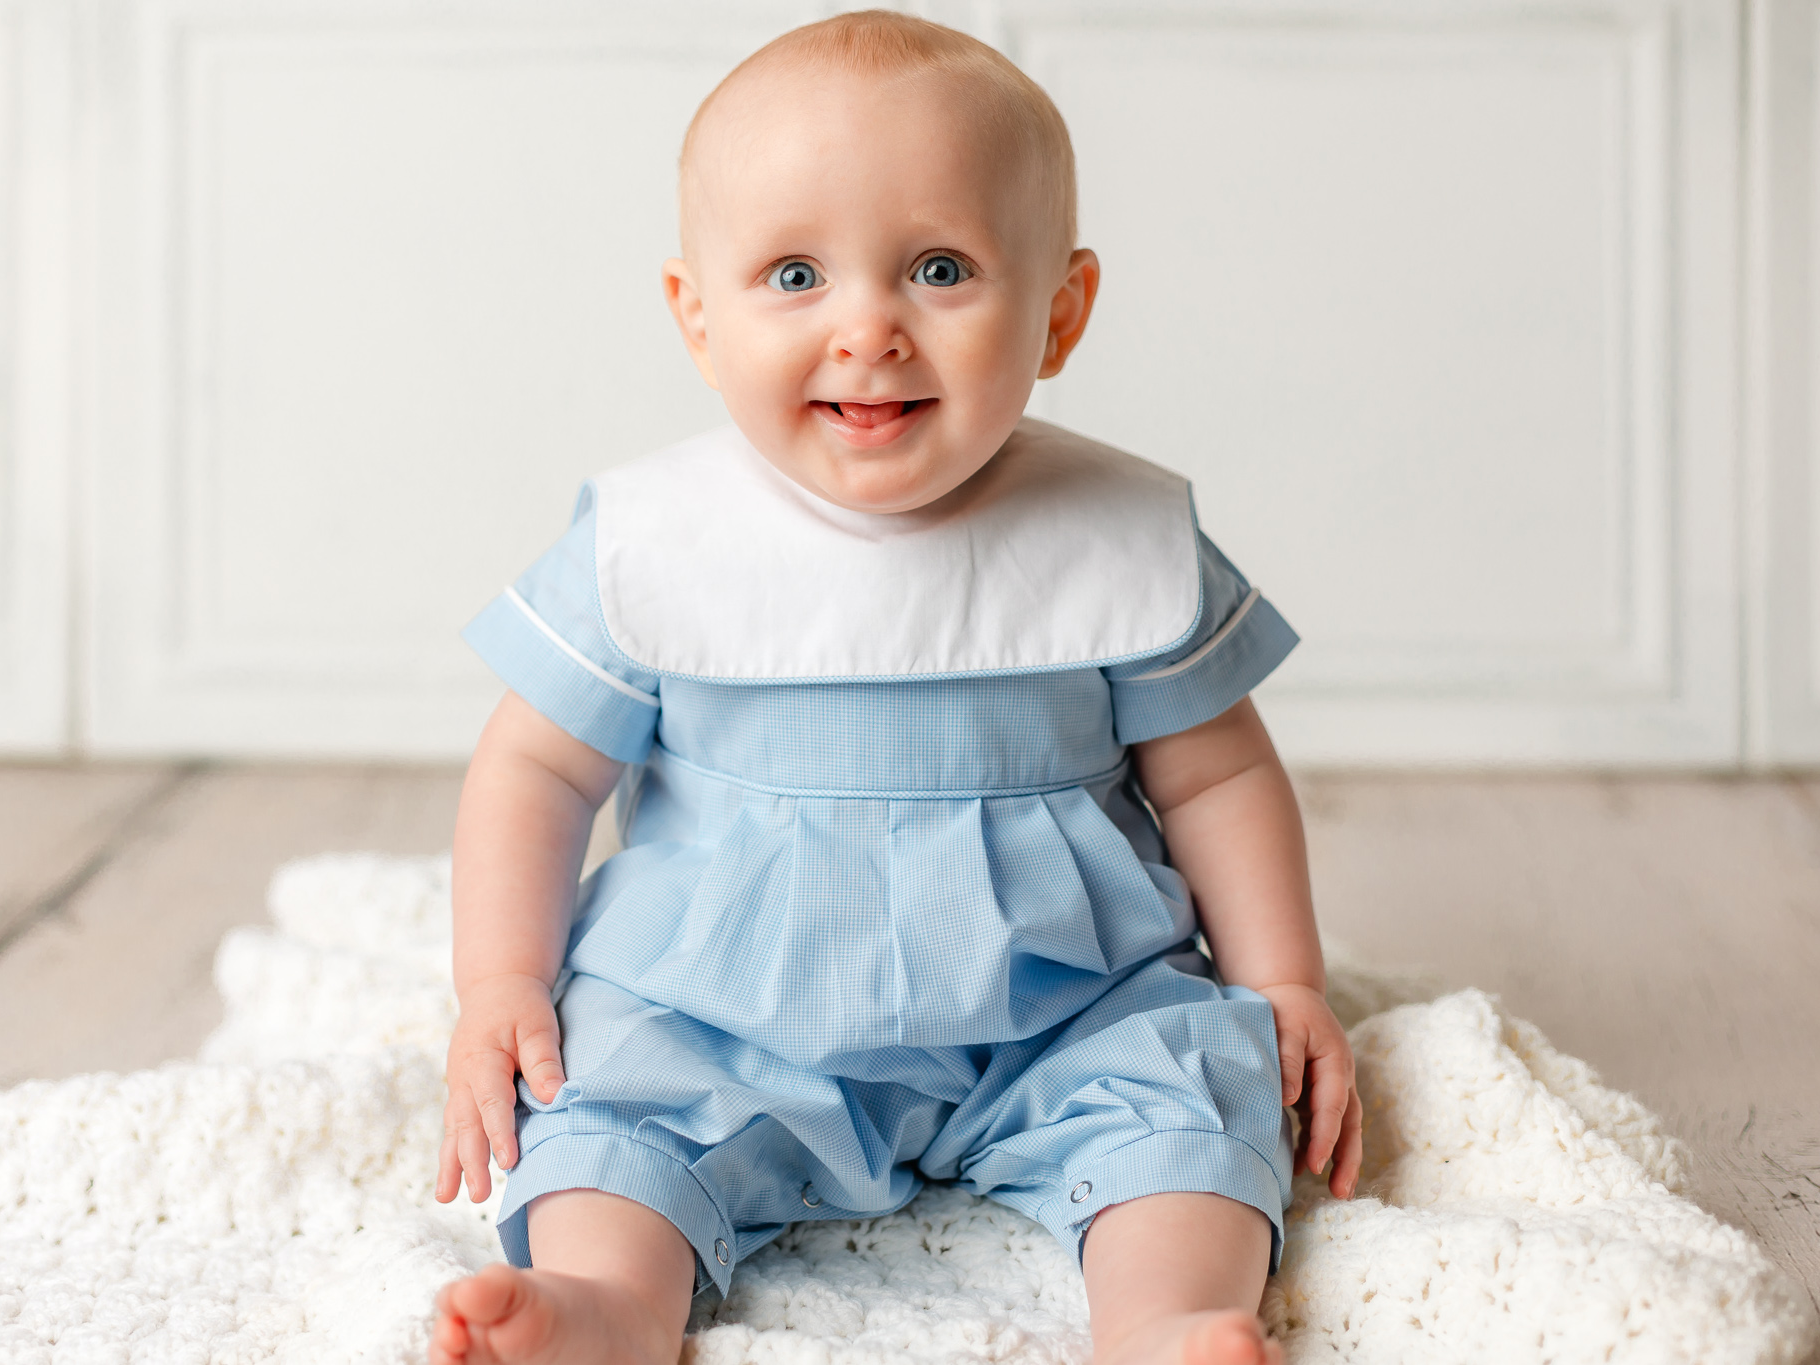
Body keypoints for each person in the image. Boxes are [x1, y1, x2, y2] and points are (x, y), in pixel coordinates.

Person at [428, 12, 1360, 1364]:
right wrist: (501, 977)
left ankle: (1166, 1318)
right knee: (610, 1103)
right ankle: (612, 1304)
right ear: (698, 315)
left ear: (1061, 310)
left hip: (1068, 1001)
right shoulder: (657, 544)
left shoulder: (1114, 534)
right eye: (795, 273)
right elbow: (537, 767)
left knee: (1186, 1095)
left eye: (938, 269)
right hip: (725, 1008)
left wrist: (1282, 980)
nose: (868, 328)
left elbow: (1215, 770)